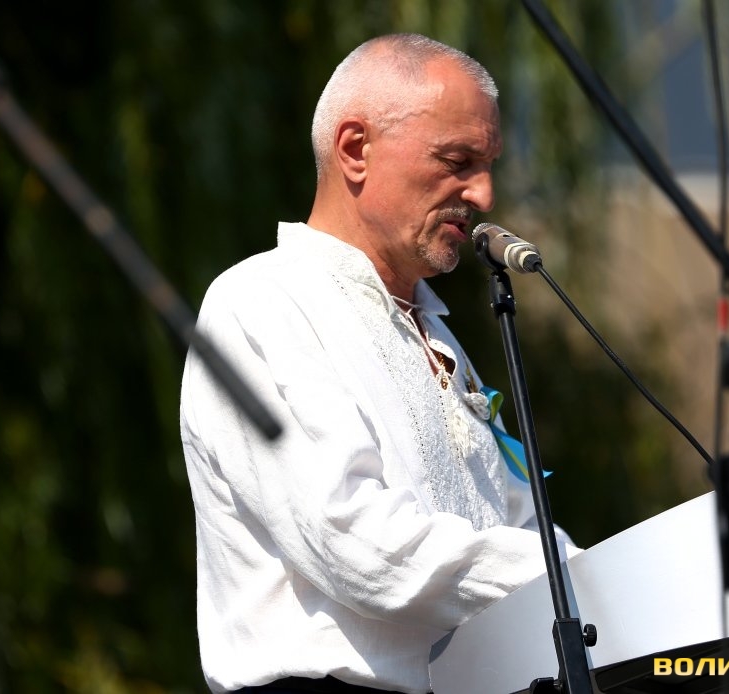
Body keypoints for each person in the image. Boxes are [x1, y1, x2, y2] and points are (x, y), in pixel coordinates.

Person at [180, 33, 575, 694]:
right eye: (458, 160)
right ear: (356, 149)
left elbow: (518, 526)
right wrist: (572, 580)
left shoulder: (439, 337)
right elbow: (356, 543)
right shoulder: (261, 301)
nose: (483, 193)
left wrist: (598, 583)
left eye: (488, 166)